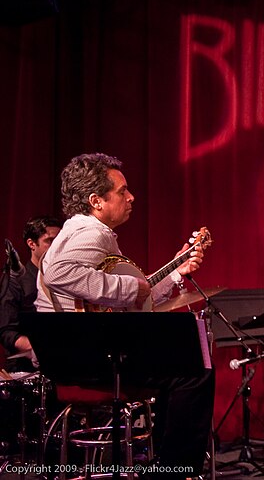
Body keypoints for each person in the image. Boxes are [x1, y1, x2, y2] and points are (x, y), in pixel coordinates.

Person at [34, 153, 214, 478]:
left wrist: (176, 272)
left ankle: (165, 465)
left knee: (178, 370)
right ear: (96, 201)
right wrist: (127, 289)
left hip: (75, 355)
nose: (131, 197)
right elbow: (58, 273)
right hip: (85, 360)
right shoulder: (92, 233)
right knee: (195, 373)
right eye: (122, 191)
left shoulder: (79, 232)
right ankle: (175, 471)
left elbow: (135, 296)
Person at [0, 216, 62, 373]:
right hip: (26, 370)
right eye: (50, 241)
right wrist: (36, 348)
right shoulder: (16, 280)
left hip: (59, 366)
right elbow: (6, 331)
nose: (57, 247)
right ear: (31, 244)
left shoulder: (64, 278)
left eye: (60, 241)